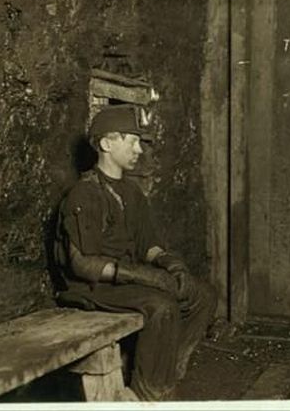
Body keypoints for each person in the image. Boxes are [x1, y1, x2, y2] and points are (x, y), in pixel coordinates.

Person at [54, 104, 217, 401]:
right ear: (106, 144)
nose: (139, 149)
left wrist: (170, 263)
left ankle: (165, 373)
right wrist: (136, 274)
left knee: (202, 295)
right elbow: (81, 265)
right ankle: (148, 395)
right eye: (131, 140)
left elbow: (148, 245)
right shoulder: (83, 194)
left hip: (125, 282)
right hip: (93, 288)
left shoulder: (132, 193)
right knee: (162, 307)